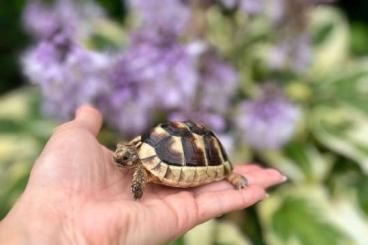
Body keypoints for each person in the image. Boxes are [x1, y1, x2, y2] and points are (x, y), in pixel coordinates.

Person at [0, 105, 286, 245]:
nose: (120, 159)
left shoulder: (140, 168)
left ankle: (230, 174)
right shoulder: (139, 150)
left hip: (204, 155)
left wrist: (137, 189)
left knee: (228, 176)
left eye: (125, 158)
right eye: (122, 156)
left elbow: (139, 172)